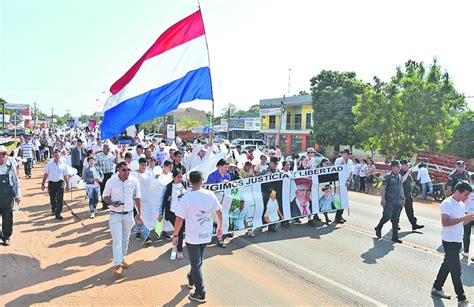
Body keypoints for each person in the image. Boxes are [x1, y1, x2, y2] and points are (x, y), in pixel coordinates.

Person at [172, 170, 223, 303]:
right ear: (202, 180)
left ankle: (200, 292)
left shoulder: (187, 197)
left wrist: (175, 234)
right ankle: (191, 278)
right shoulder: (210, 194)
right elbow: (219, 211)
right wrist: (220, 227)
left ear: (189, 182)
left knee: (196, 263)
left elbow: (179, 219)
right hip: (206, 235)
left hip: (193, 237)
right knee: (198, 261)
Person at [431, 180, 474, 306]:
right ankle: (462, 299)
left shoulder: (460, 204)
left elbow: (460, 222)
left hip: (457, 240)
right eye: (465, 195)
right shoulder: (447, 203)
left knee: (446, 265)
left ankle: (436, 287)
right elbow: (445, 222)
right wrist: (464, 218)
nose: (467, 198)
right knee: (456, 271)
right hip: (449, 241)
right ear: (457, 191)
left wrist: (469, 219)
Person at [102, 161, 142, 277]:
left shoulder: (134, 181)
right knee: (117, 240)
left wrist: (140, 213)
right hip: (115, 215)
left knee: (125, 239)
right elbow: (105, 196)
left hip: (128, 214)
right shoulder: (111, 181)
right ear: (118, 170)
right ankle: (118, 265)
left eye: (128, 170)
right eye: (124, 170)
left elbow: (137, 197)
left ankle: (122, 258)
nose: (127, 172)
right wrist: (111, 202)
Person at [374, 160, 405, 243]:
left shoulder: (400, 176)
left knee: (395, 219)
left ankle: (395, 237)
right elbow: (383, 188)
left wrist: (403, 198)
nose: (399, 168)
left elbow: (401, 188)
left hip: (398, 201)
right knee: (387, 216)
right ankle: (379, 227)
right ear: (393, 167)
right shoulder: (388, 176)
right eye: (397, 167)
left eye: (399, 167)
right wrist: (383, 199)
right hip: (389, 201)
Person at [160, 169, 187, 258]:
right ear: (173, 177)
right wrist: (161, 213)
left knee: (180, 230)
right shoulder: (168, 187)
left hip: (183, 213)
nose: (180, 179)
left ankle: (176, 245)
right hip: (173, 213)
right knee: (178, 230)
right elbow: (163, 201)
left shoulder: (184, 184)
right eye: (178, 177)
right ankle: (179, 251)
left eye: (181, 177)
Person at [0, 145, 21, 246]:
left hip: (8, 195)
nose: (1, 156)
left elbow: (16, 180)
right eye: (0, 154)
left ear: (6, 155)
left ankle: (6, 237)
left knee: (7, 217)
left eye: (3, 154)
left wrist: (18, 195)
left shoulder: (10, 164)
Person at [41, 149, 70, 220]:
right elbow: (45, 175)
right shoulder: (49, 165)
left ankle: (58, 213)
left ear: (60, 156)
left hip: (60, 182)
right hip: (51, 183)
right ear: (53, 156)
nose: (57, 157)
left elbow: (65, 175)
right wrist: (43, 184)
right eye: (55, 155)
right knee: (52, 198)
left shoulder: (63, 165)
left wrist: (67, 185)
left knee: (60, 199)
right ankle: (54, 208)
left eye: (58, 155)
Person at [400, 160, 424, 231]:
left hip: (408, 195)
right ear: (403, 166)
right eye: (407, 165)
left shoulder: (409, 174)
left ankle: (414, 224)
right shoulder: (400, 173)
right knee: (397, 211)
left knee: (410, 211)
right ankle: (395, 224)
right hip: (401, 196)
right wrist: (408, 172)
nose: (408, 166)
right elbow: (402, 180)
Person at [334, 149, 353, 223]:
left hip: (346, 183)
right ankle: (337, 217)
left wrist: (348, 180)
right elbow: (335, 171)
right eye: (347, 154)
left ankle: (340, 215)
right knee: (339, 201)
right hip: (339, 183)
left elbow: (351, 171)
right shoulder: (338, 160)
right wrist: (340, 165)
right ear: (344, 154)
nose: (349, 156)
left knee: (344, 201)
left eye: (349, 154)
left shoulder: (350, 161)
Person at [95, 144, 116, 210]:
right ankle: (104, 204)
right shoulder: (98, 155)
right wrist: (98, 174)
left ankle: (109, 202)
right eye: (107, 148)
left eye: (109, 149)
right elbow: (95, 165)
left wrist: (117, 154)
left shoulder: (111, 155)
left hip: (110, 174)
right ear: (103, 149)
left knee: (110, 189)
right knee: (103, 189)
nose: (108, 150)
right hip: (102, 174)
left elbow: (116, 162)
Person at [462, 174, 474, 261]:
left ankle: (466, 252)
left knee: (466, 233)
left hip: (467, 212)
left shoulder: (468, 188)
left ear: (470, 179)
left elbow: (463, 199)